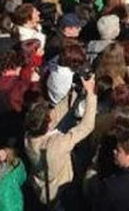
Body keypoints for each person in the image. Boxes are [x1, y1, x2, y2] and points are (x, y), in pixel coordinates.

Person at [24, 72, 98, 208]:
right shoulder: (56, 144)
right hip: (59, 192)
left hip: (40, 187)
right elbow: (87, 126)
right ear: (47, 124)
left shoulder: (28, 137)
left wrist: (74, 92)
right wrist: (91, 95)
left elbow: (55, 115)